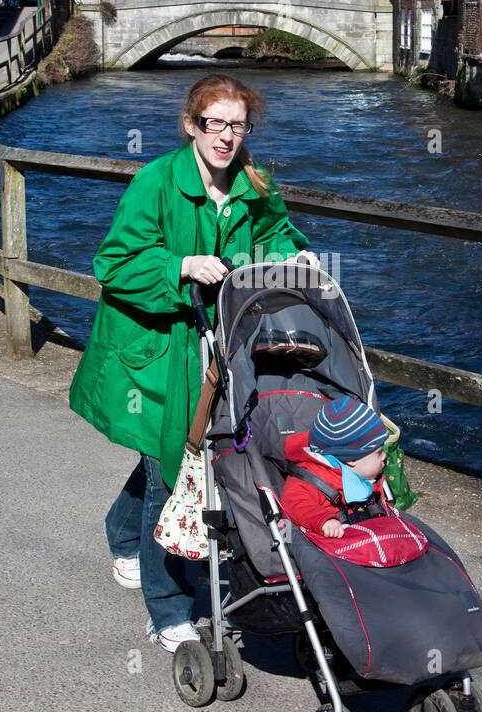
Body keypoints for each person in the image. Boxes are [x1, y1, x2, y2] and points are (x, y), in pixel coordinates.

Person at [68, 74, 319, 652]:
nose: (227, 136)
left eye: (238, 125)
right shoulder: (157, 181)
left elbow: (273, 234)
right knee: (175, 467)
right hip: (157, 348)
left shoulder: (254, 181)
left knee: (170, 456)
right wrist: (179, 266)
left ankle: (120, 534)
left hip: (215, 342)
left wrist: (293, 254)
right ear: (192, 125)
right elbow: (113, 262)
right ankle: (169, 610)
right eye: (216, 124)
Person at [279, 397, 389, 538]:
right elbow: (293, 500)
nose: (385, 456)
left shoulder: (362, 470)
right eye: (379, 453)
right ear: (352, 459)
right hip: (334, 543)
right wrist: (323, 520)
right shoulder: (315, 477)